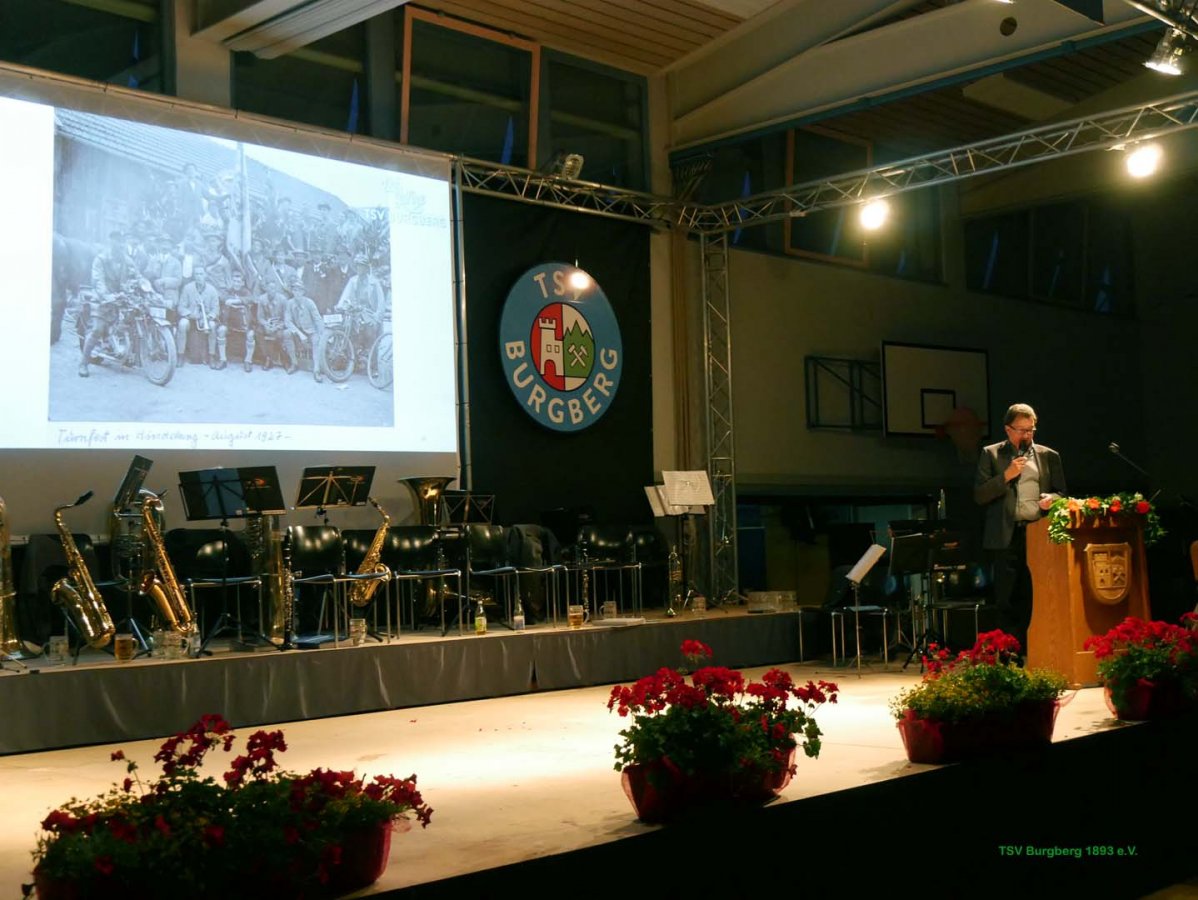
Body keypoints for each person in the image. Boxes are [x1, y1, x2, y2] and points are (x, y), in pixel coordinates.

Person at [973, 403, 1067, 655]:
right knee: (1006, 598)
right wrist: (1006, 475)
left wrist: (1053, 499)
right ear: (1007, 429)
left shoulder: (1049, 455)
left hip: (1038, 536)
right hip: (1005, 535)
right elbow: (980, 495)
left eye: (1031, 429)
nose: (1026, 435)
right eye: (1021, 429)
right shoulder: (991, 454)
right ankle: (1008, 656)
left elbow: (1062, 493)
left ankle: (1036, 651)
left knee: (1035, 595)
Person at [79, 230, 135, 377]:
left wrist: (144, 285)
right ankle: (84, 363)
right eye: (116, 240)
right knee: (97, 329)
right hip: (102, 299)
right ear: (110, 241)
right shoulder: (101, 259)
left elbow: (137, 274)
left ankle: (125, 353)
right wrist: (106, 295)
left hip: (119, 298)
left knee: (131, 321)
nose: (120, 244)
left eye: (122, 241)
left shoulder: (126, 260)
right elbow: (98, 281)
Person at [176, 265, 226, 368]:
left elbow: (216, 309)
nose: (199, 276)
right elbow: (181, 307)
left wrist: (208, 317)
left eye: (201, 274)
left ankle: (211, 356)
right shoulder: (187, 288)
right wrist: (190, 314)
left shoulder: (212, 290)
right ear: (194, 276)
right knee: (182, 324)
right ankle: (180, 355)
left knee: (212, 325)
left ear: (205, 276)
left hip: (205, 320)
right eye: (197, 274)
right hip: (191, 319)